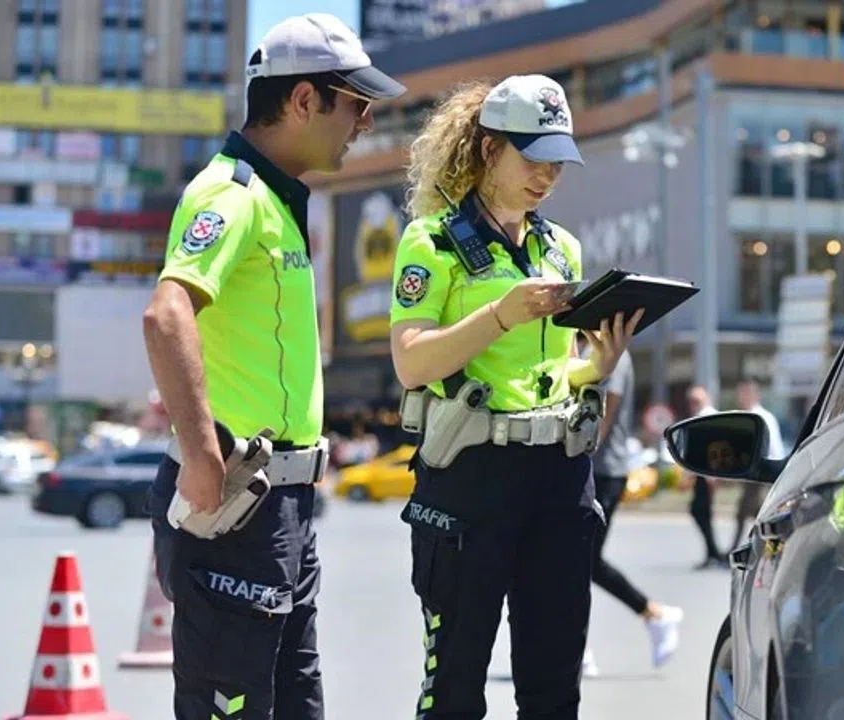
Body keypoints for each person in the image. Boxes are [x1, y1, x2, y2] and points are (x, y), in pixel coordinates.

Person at [141, 14, 405, 719]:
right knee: (232, 707)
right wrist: (202, 452)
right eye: (356, 105)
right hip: (235, 500)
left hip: (282, 506)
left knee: (295, 705)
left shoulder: (278, 203)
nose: (366, 123)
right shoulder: (230, 195)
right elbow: (166, 315)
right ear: (303, 100)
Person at [388, 75, 643, 719]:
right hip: (471, 475)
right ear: (488, 148)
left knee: (554, 690)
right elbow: (411, 362)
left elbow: (554, 375)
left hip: (559, 474)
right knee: (453, 691)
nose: (547, 176)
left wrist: (597, 367)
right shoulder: (431, 241)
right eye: (533, 158)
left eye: (557, 162)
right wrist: (501, 314)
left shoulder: (561, 249)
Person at [580, 344, 683, 676]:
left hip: (602, 471)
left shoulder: (611, 350)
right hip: (589, 471)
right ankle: (652, 615)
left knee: (581, 561)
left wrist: (578, 455)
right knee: (579, 562)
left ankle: (651, 615)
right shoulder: (580, 346)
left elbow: (606, 411)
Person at [732, 379, 785, 546]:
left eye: (745, 393)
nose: (741, 397)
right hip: (751, 473)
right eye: (740, 393)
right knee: (750, 512)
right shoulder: (745, 415)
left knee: (756, 511)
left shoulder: (763, 417)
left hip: (763, 472)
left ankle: (763, 545)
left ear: (754, 395)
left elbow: (774, 447)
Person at [683, 385, 726, 569]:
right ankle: (712, 552)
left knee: (701, 511)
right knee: (701, 512)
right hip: (702, 473)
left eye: (697, 400)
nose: (693, 404)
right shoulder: (701, 416)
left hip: (707, 473)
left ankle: (714, 552)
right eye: (691, 401)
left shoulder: (707, 416)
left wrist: (712, 476)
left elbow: (712, 448)